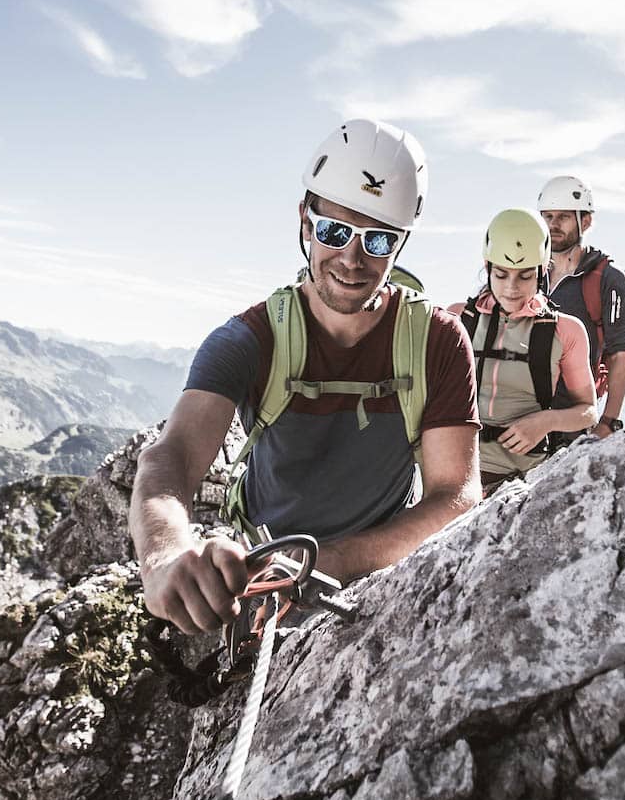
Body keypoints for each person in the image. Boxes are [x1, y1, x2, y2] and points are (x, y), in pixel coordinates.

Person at [129, 119, 482, 635]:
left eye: (379, 241)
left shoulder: (437, 342)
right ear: (305, 222)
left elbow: (456, 495)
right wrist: (164, 553)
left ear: (400, 245)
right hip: (263, 574)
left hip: (372, 576)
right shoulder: (249, 340)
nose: (352, 259)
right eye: (335, 231)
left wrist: (329, 560)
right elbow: (172, 456)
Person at [448, 209, 597, 494]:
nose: (511, 288)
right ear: (487, 266)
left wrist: (545, 421)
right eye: (501, 274)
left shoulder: (565, 330)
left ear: (542, 271)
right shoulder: (457, 318)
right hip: (454, 474)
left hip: (521, 480)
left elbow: (588, 412)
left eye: (525, 276)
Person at [537, 175, 625, 440]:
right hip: (526, 417)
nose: (553, 225)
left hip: (573, 422)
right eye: (547, 216)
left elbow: (620, 354)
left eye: (563, 217)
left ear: (586, 221)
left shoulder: (609, 279)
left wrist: (608, 422)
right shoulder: (528, 274)